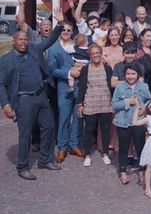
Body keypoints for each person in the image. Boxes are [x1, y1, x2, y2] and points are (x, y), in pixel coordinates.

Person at [0, 10, 64, 179]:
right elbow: (1, 84)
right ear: (14, 41)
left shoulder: (34, 50)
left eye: (25, 39)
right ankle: (22, 167)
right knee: (25, 133)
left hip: (41, 96)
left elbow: (50, 40)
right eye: (20, 39)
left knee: (49, 127)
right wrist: (6, 104)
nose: (23, 42)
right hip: (23, 100)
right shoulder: (6, 60)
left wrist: (60, 24)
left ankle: (45, 160)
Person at [48, 19, 84, 162]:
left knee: (78, 117)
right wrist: (69, 73)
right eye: (64, 30)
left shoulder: (77, 46)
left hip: (79, 87)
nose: (66, 32)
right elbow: (52, 70)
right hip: (64, 88)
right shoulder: (54, 49)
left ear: (72, 32)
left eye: (69, 30)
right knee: (63, 118)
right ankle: (62, 147)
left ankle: (74, 145)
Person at [111, 62, 151, 185]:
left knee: (140, 147)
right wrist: (127, 102)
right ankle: (123, 171)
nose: (130, 76)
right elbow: (113, 105)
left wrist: (145, 108)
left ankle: (141, 171)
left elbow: (150, 101)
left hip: (138, 122)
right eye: (128, 74)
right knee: (123, 148)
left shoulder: (144, 87)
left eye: (133, 74)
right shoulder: (120, 88)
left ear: (138, 75)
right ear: (124, 75)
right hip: (123, 122)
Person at [76, 45, 114, 167]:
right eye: (93, 53)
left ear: (101, 53)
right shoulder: (85, 69)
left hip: (105, 103)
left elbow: (111, 86)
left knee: (105, 129)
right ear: (90, 55)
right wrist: (80, 103)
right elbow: (82, 87)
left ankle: (106, 153)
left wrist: (114, 102)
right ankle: (87, 155)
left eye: (98, 53)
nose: (96, 55)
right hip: (90, 103)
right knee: (89, 130)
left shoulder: (108, 69)